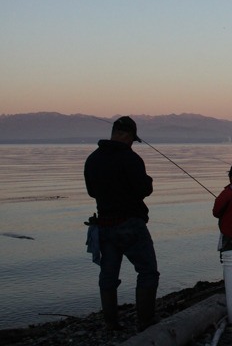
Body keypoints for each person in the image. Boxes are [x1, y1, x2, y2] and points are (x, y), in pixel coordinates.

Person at [84, 116, 160, 332]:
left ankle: (111, 323)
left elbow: (91, 192)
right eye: (132, 139)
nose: (131, 143)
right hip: (130, 225)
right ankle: (145, 321)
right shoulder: (130, 158)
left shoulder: (93, 159)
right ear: (126, 135)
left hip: (104, 226)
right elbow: (143, 190)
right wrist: (149, 181)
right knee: (147, 272)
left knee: (108, 276)